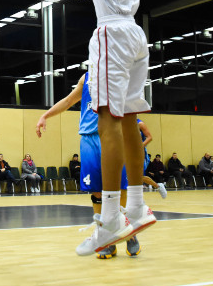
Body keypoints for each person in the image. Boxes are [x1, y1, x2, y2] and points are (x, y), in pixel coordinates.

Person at [61, 0, 154, 254]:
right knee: (129, 119)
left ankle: (112, 218)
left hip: (111, 34)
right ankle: (136, 204)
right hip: (135, 36)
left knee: (108, 122)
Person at [36, 73, 140, 258]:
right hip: (89, 138)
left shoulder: (120, 72)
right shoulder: (86, 77)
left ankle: (128, 231)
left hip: (113, 134)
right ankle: (105, 236)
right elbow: (68, 101)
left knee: (119, 186)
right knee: (96, 190)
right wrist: (46, 115)